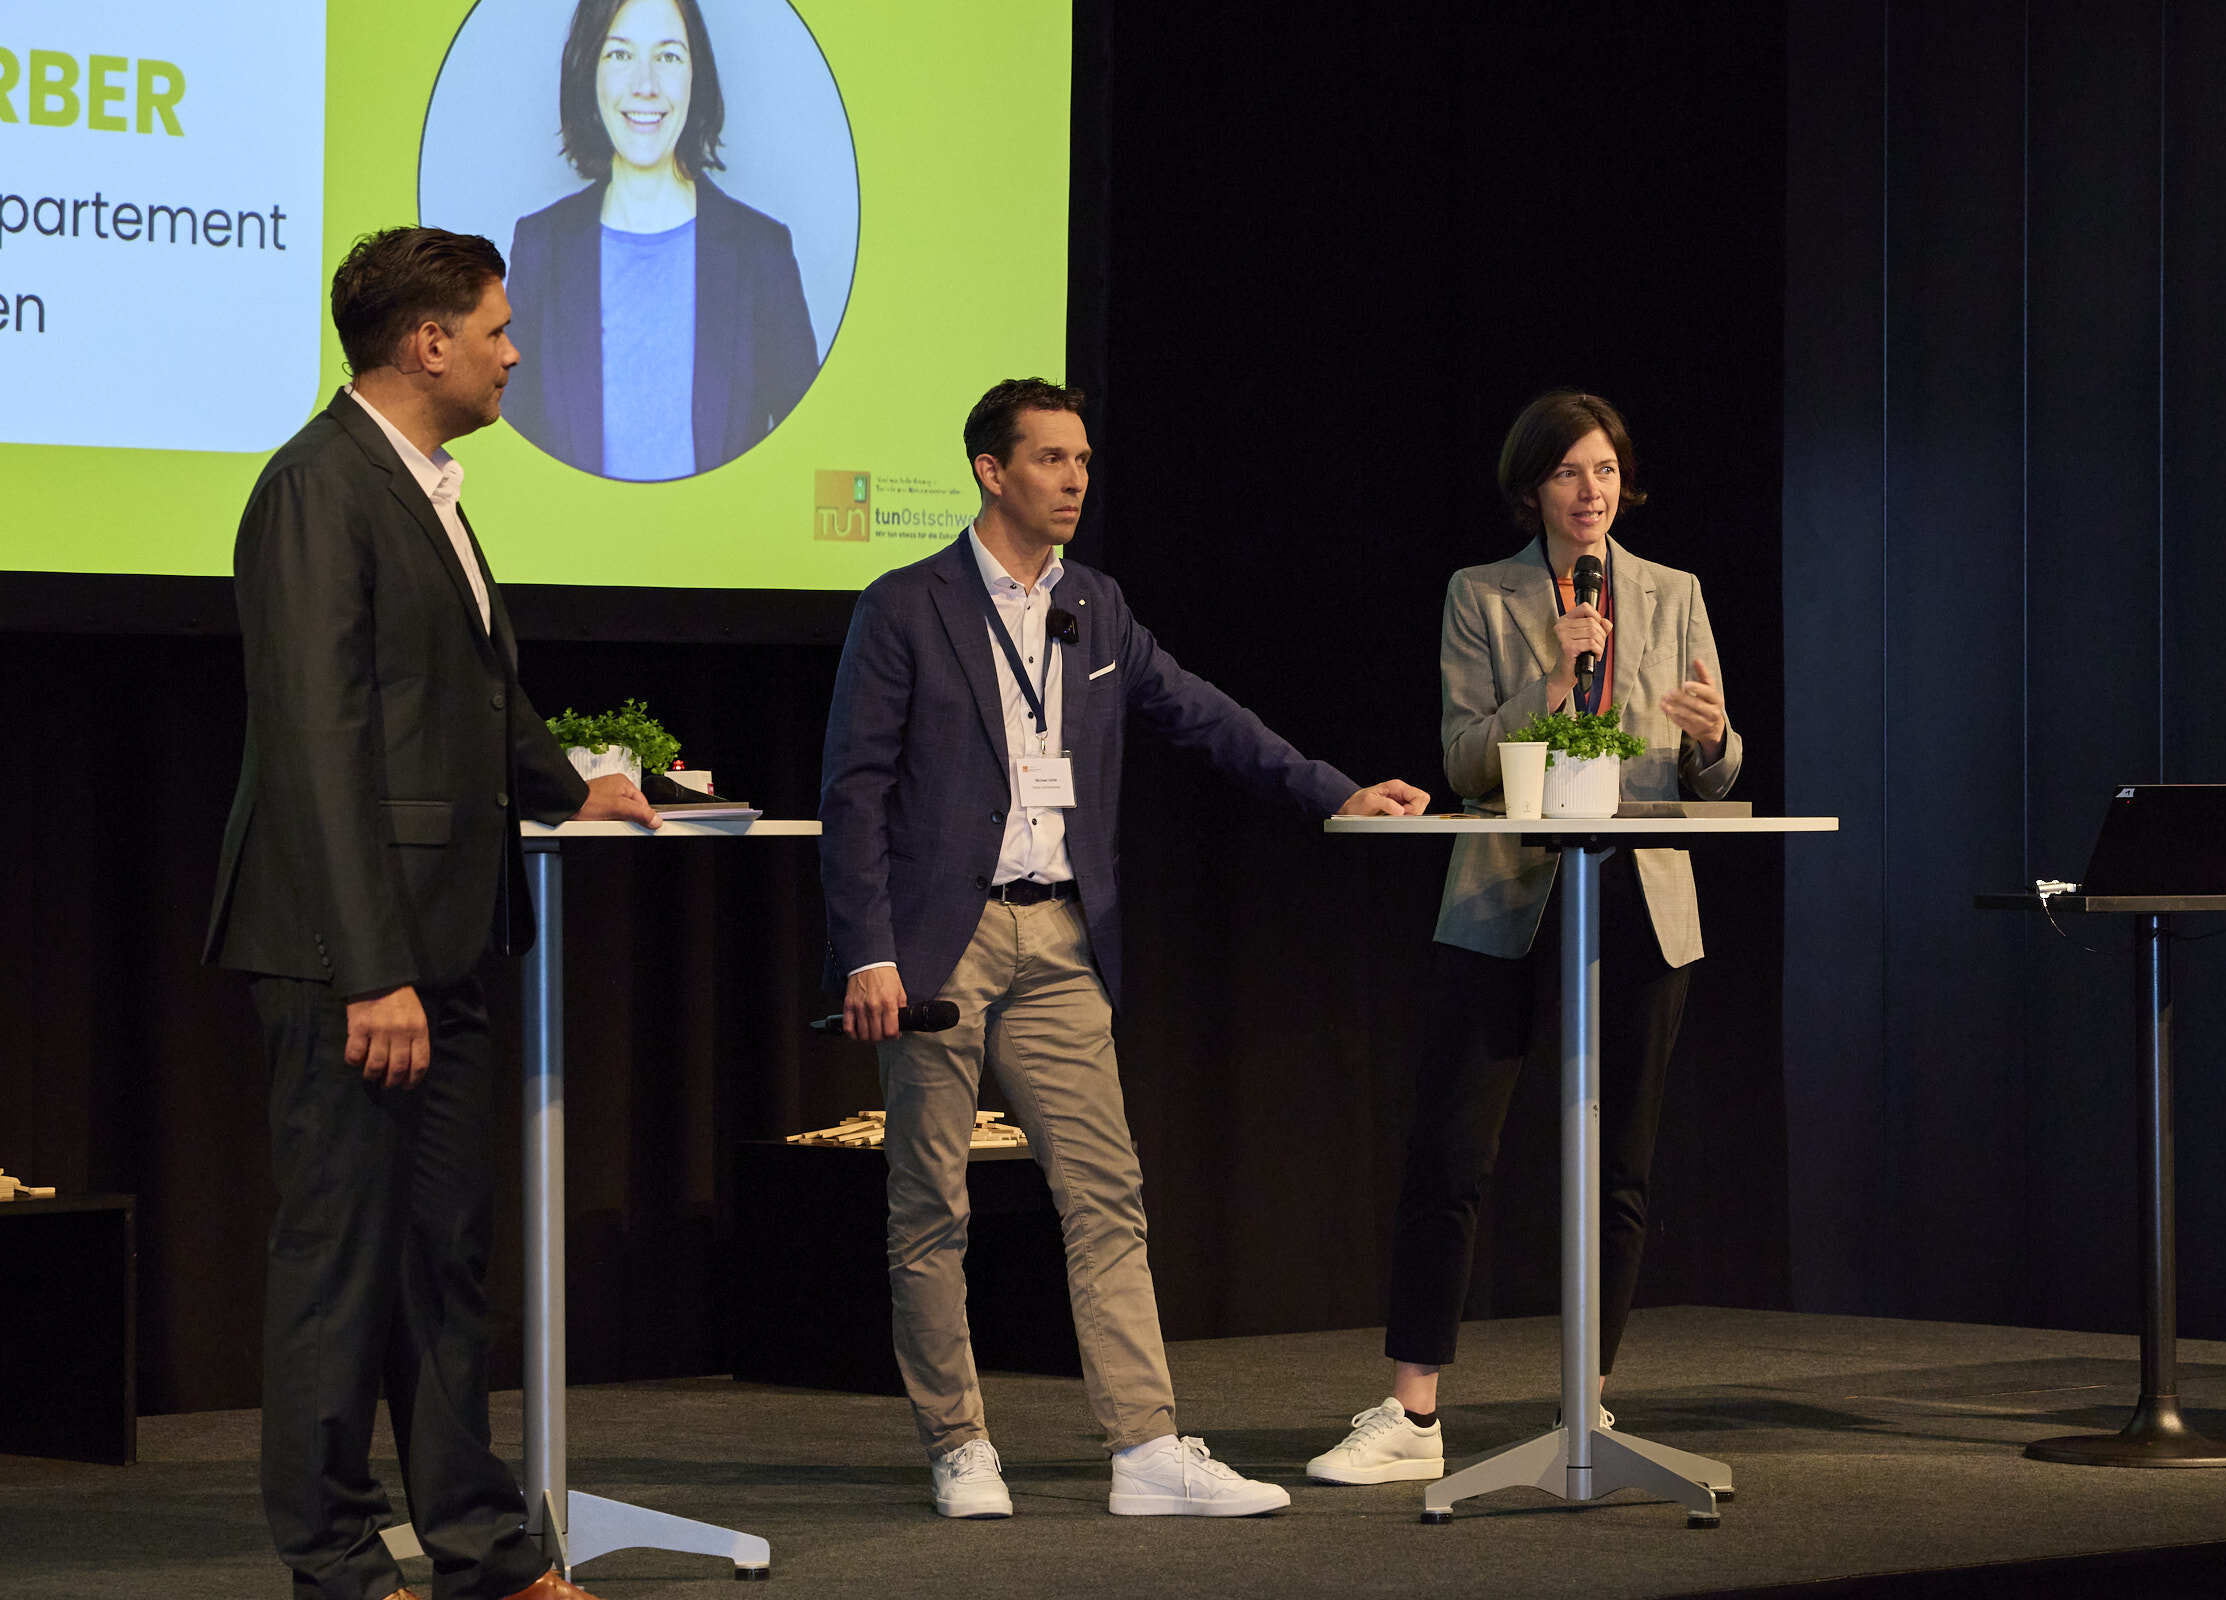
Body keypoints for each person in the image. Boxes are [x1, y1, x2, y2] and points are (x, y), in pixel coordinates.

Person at [819, 377, 1429, 1519]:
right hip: (941, 939)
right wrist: (868, 950)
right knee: (931, 1202)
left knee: (1107, 1192)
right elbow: (853, 791)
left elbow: (1202, 712)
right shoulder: (905, 605)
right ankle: (959, 1443)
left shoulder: (1095, 605)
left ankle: (1145, 1448)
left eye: (1084, 459)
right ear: (992, 471)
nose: (1076, 480)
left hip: (1061, 933)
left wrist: (1334, 793)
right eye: (1052, 458)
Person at [203, 226, 658, 1600]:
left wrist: (574, 789)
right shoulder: (318, 486)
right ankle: (338, 1565)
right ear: (426, 343)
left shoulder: (425, 484)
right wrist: (370, 970)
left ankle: (480, 1548)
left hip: (448, 939)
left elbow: (468, 690)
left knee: (444, 1262)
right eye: (498, 329)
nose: (515, 353)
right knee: (341, 1266)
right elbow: (317, 742)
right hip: (350, 957)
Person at [1305, 391, 1740, 1485]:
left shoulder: (1675, 592)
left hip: (1641, 894)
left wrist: (1714, 739)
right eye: (1567, 473)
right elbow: (1463, 759)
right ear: (1533, 487)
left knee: (1621, 1162)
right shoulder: (1482, 595)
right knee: (1452, 1150)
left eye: (1605, 471)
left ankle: (1588, 1402)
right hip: (1506, 894)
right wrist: (1550, 679)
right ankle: (1413, 1414)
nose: (1590, 493)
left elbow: (1715, 770)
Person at [503, 0, 819, 480]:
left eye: (668, 56)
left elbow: (809, 449)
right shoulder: (540, 248)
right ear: (589, 72)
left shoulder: (761, 252)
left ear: (696, 76)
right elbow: (510, 454)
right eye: (620, 54)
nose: (645, 85)